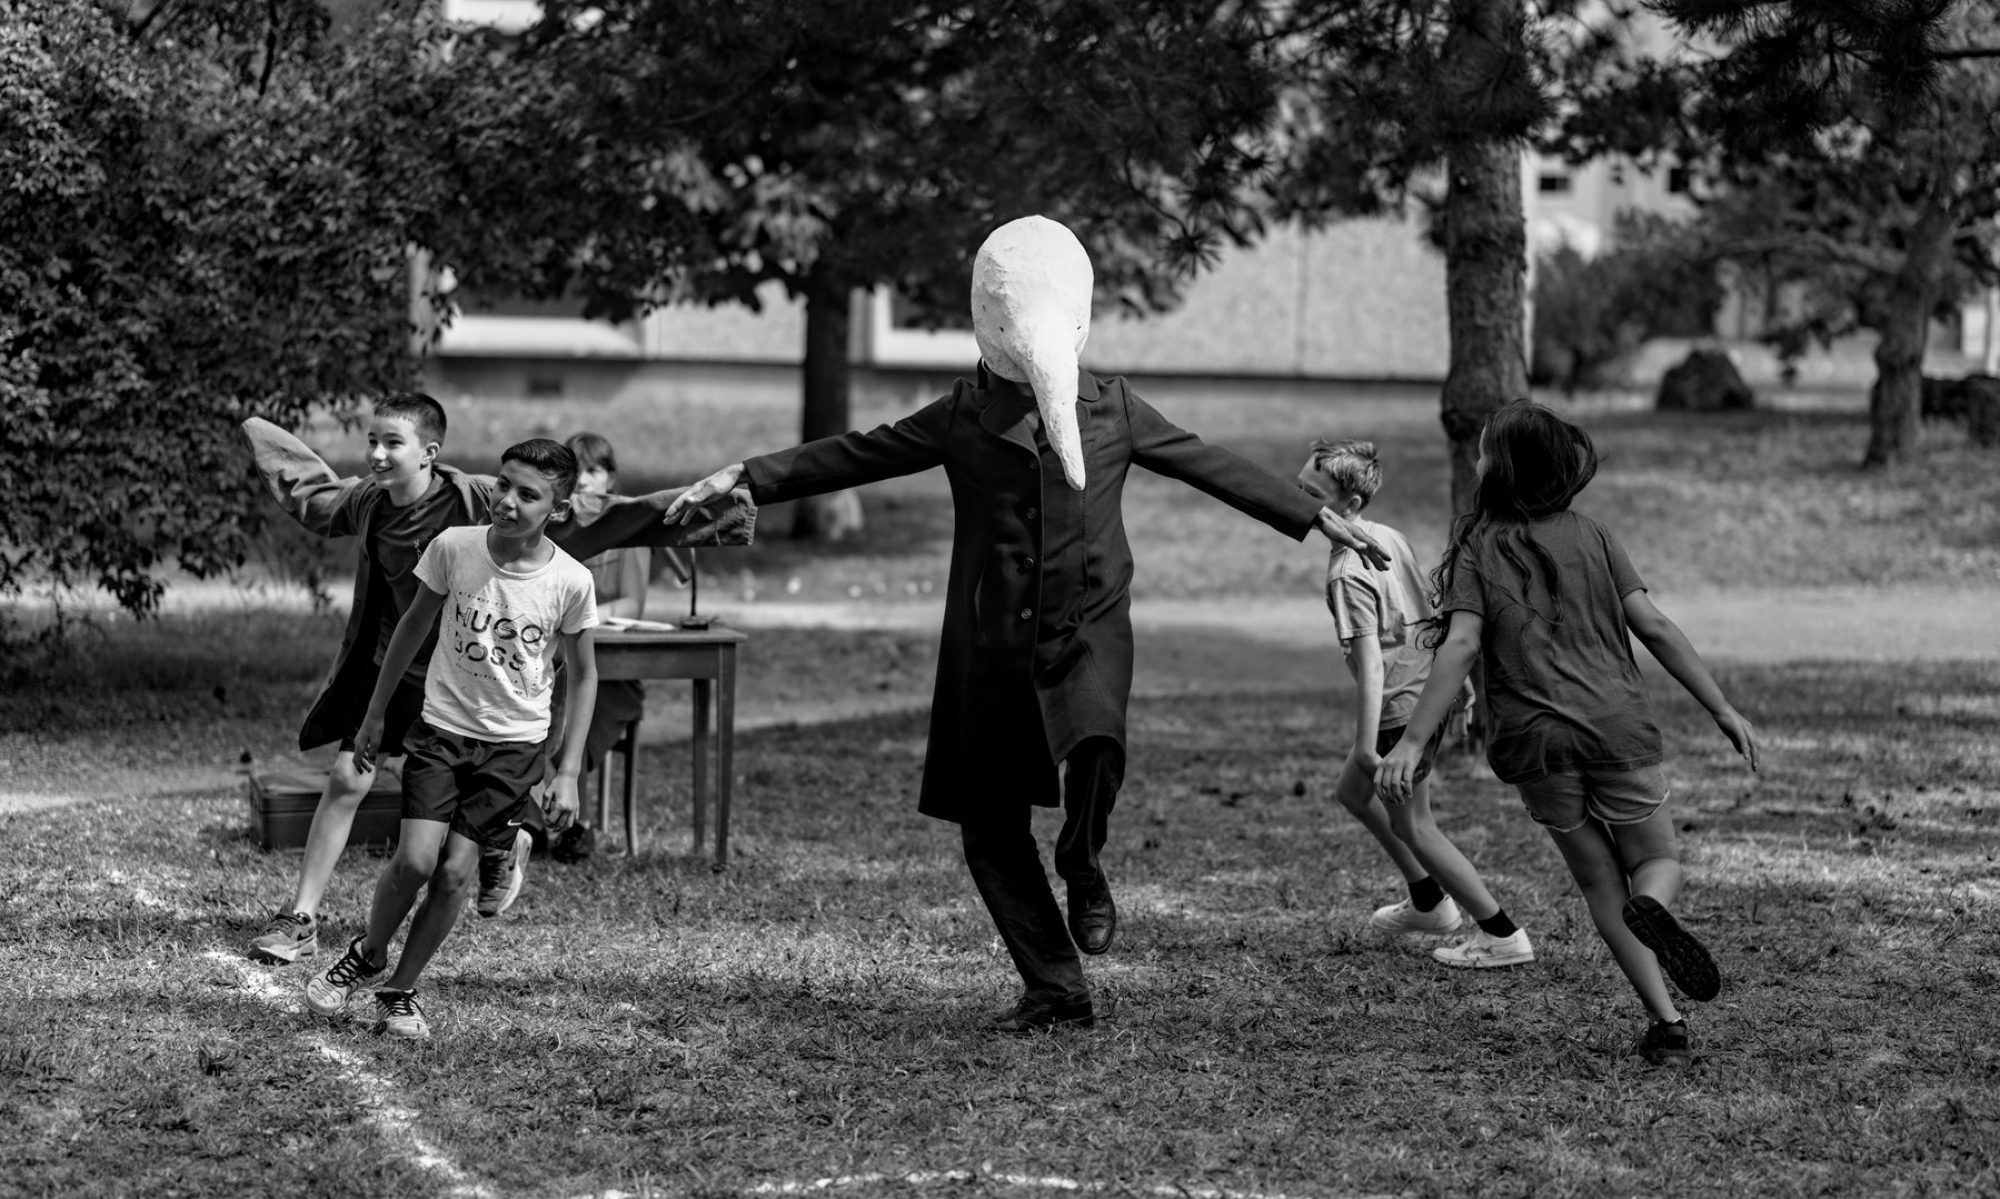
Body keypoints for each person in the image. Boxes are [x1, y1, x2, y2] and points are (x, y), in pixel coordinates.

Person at [665, 215, 1391, 1034]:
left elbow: (1205, 460)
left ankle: (1083, 858)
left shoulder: (1112, 405)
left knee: (1099, 744)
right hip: (992, 642)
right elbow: (856, 453)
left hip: (1088, 624)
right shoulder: (962, 412)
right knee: (989, 825)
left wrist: (1311, 516)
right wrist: (748, 476)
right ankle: (1056, 986)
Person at [239, 400, 753, 962]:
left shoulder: (480, 497)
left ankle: (503, 840)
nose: (377, 455)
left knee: (477, 797)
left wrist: (715, 515)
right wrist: (264, 439)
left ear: (430, 454)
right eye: (373, 442)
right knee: (347, 778)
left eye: (392, 444)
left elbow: (597, 515)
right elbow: (315, 499)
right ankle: (302, 918)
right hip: (399, 662)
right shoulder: (368, 500)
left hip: (476, 675)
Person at [1374, 401, 1760, 1066]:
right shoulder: (1594, 535)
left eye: (1484, 450)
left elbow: (1461, 643)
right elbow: (1656, 626)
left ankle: (1666, 1022)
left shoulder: (1477, 546)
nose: (1476, 458)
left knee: (1597, 884)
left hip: (1535, 746)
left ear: (1500, 469)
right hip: (1617, 730)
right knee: (1656, 861)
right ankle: (1655, 905)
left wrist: (1412, 739)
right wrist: (1720, 705)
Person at [303, 439, 599, 1039]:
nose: (507, 501)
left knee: (456, 873)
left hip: (515, 746)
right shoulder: (453, 548)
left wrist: (566, 771)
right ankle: (371, 951)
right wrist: (375, 714)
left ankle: (399, 989)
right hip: (441, 729)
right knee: (415, 859)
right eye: (504, 485)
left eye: (528, 495)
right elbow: (411, 627)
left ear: (558, 511)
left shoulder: (571, 581)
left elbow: (585, 675)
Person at [1299, 438, 1532, 969]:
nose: (1302, 502)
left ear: (1350, 506)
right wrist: (1458, 682)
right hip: (1426, 691)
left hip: (1401, 711)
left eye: (1313, 494)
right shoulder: (1388, 537)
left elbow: (1372, 665)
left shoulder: (1344, 572)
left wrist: (1367, 745)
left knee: (1415, 826)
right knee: (1353, 794)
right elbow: (1428, 612)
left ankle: (1501, 934)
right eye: (1298, 490)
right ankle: (1428, 902)